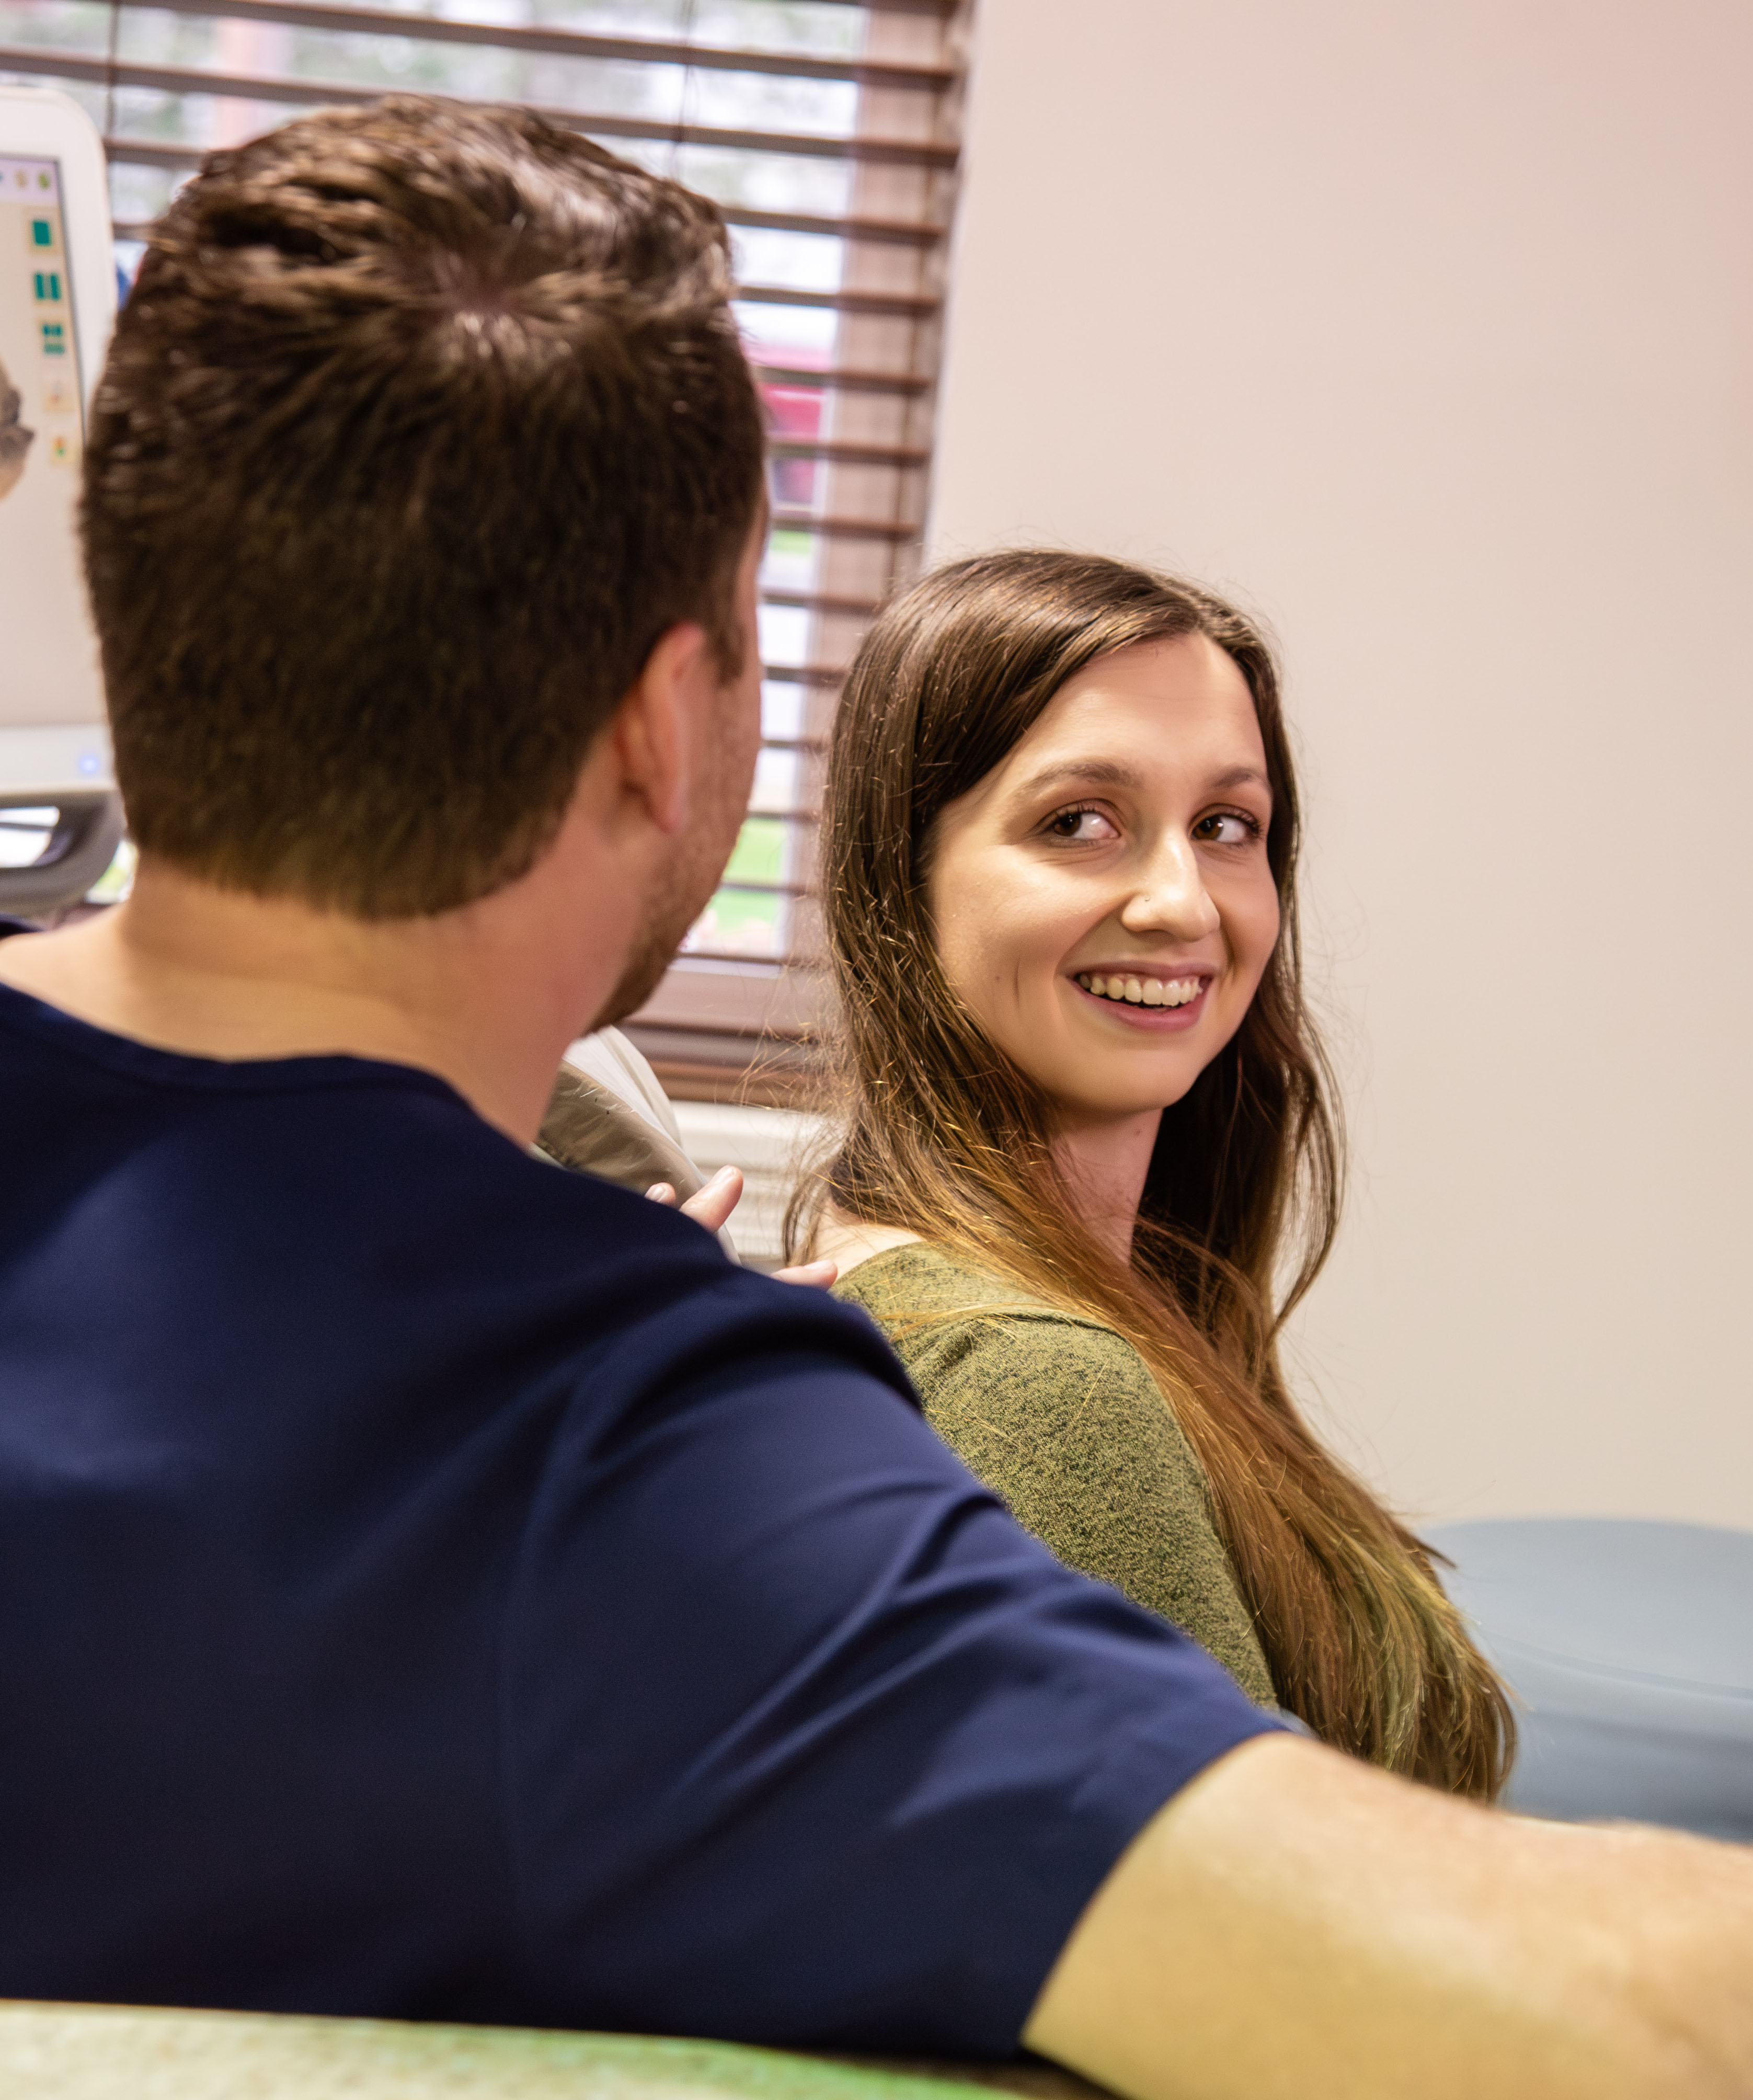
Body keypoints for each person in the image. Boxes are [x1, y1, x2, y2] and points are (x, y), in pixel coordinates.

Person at [0, 92, 1747, 2100]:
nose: (1179, 893)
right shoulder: (653, 1471)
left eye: (1235, 825)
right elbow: (1578, 2016)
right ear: (669, 724)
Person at [799, 553, 1509, 1794]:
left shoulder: (1071, 1285)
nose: (1182, 901)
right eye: (1080, 822)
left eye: (1225, 826)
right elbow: (1267, 1941)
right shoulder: (1030, 1378)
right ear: (899, 881)